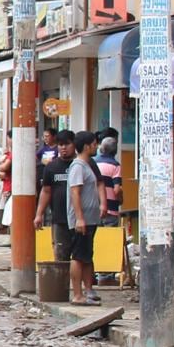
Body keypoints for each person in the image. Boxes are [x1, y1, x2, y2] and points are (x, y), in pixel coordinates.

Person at [66, 129, 104, 305]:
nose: (96, 146)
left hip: (90, 218)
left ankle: (88, 291)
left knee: (87, 255)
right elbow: (75, 192)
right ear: (87, 146)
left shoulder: (88, 165)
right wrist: (79, 218)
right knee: (79, 256)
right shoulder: (77, 167)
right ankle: (78, 294)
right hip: (82, 220)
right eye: (95, 144)